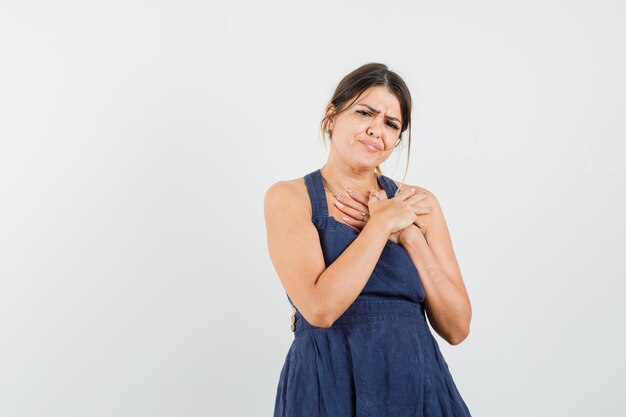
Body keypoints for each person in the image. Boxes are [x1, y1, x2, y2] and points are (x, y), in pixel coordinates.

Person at [264, 63, 473, 416]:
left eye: (391, 124)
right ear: (332, 115)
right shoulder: (289, 198)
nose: (376, 130)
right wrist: (380, 226)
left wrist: (410, 236)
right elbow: (319, 309)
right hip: (326, 382)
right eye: (365, 112)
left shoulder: (419, 205)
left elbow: (457, 328)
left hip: (417, 385)